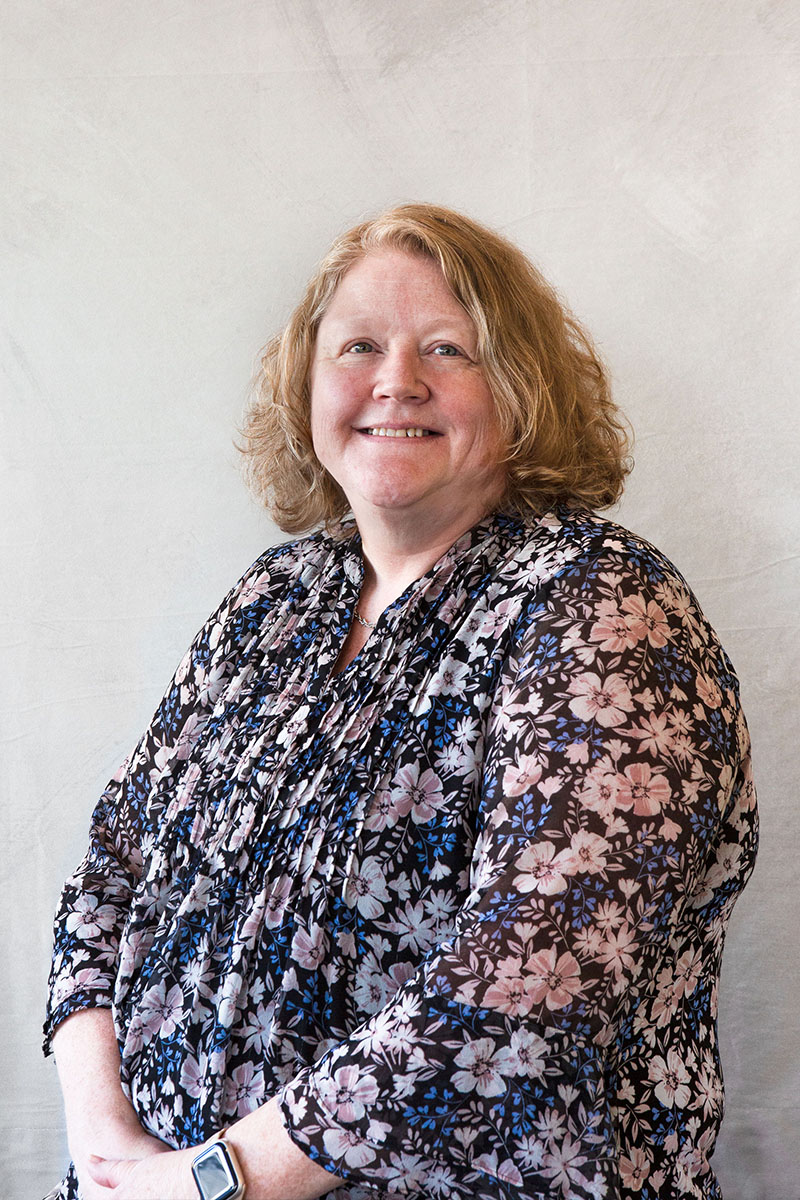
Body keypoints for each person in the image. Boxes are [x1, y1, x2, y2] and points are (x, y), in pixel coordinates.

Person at [44, 203, 758, 1200]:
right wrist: (103, 1142)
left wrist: (210, 1182)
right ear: (307, 385)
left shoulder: (597, 603)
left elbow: (524, 993)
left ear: (519, 387)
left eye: (444, 349)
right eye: (358, 347)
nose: (395, 381)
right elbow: (110, 867)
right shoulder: (272, 601)